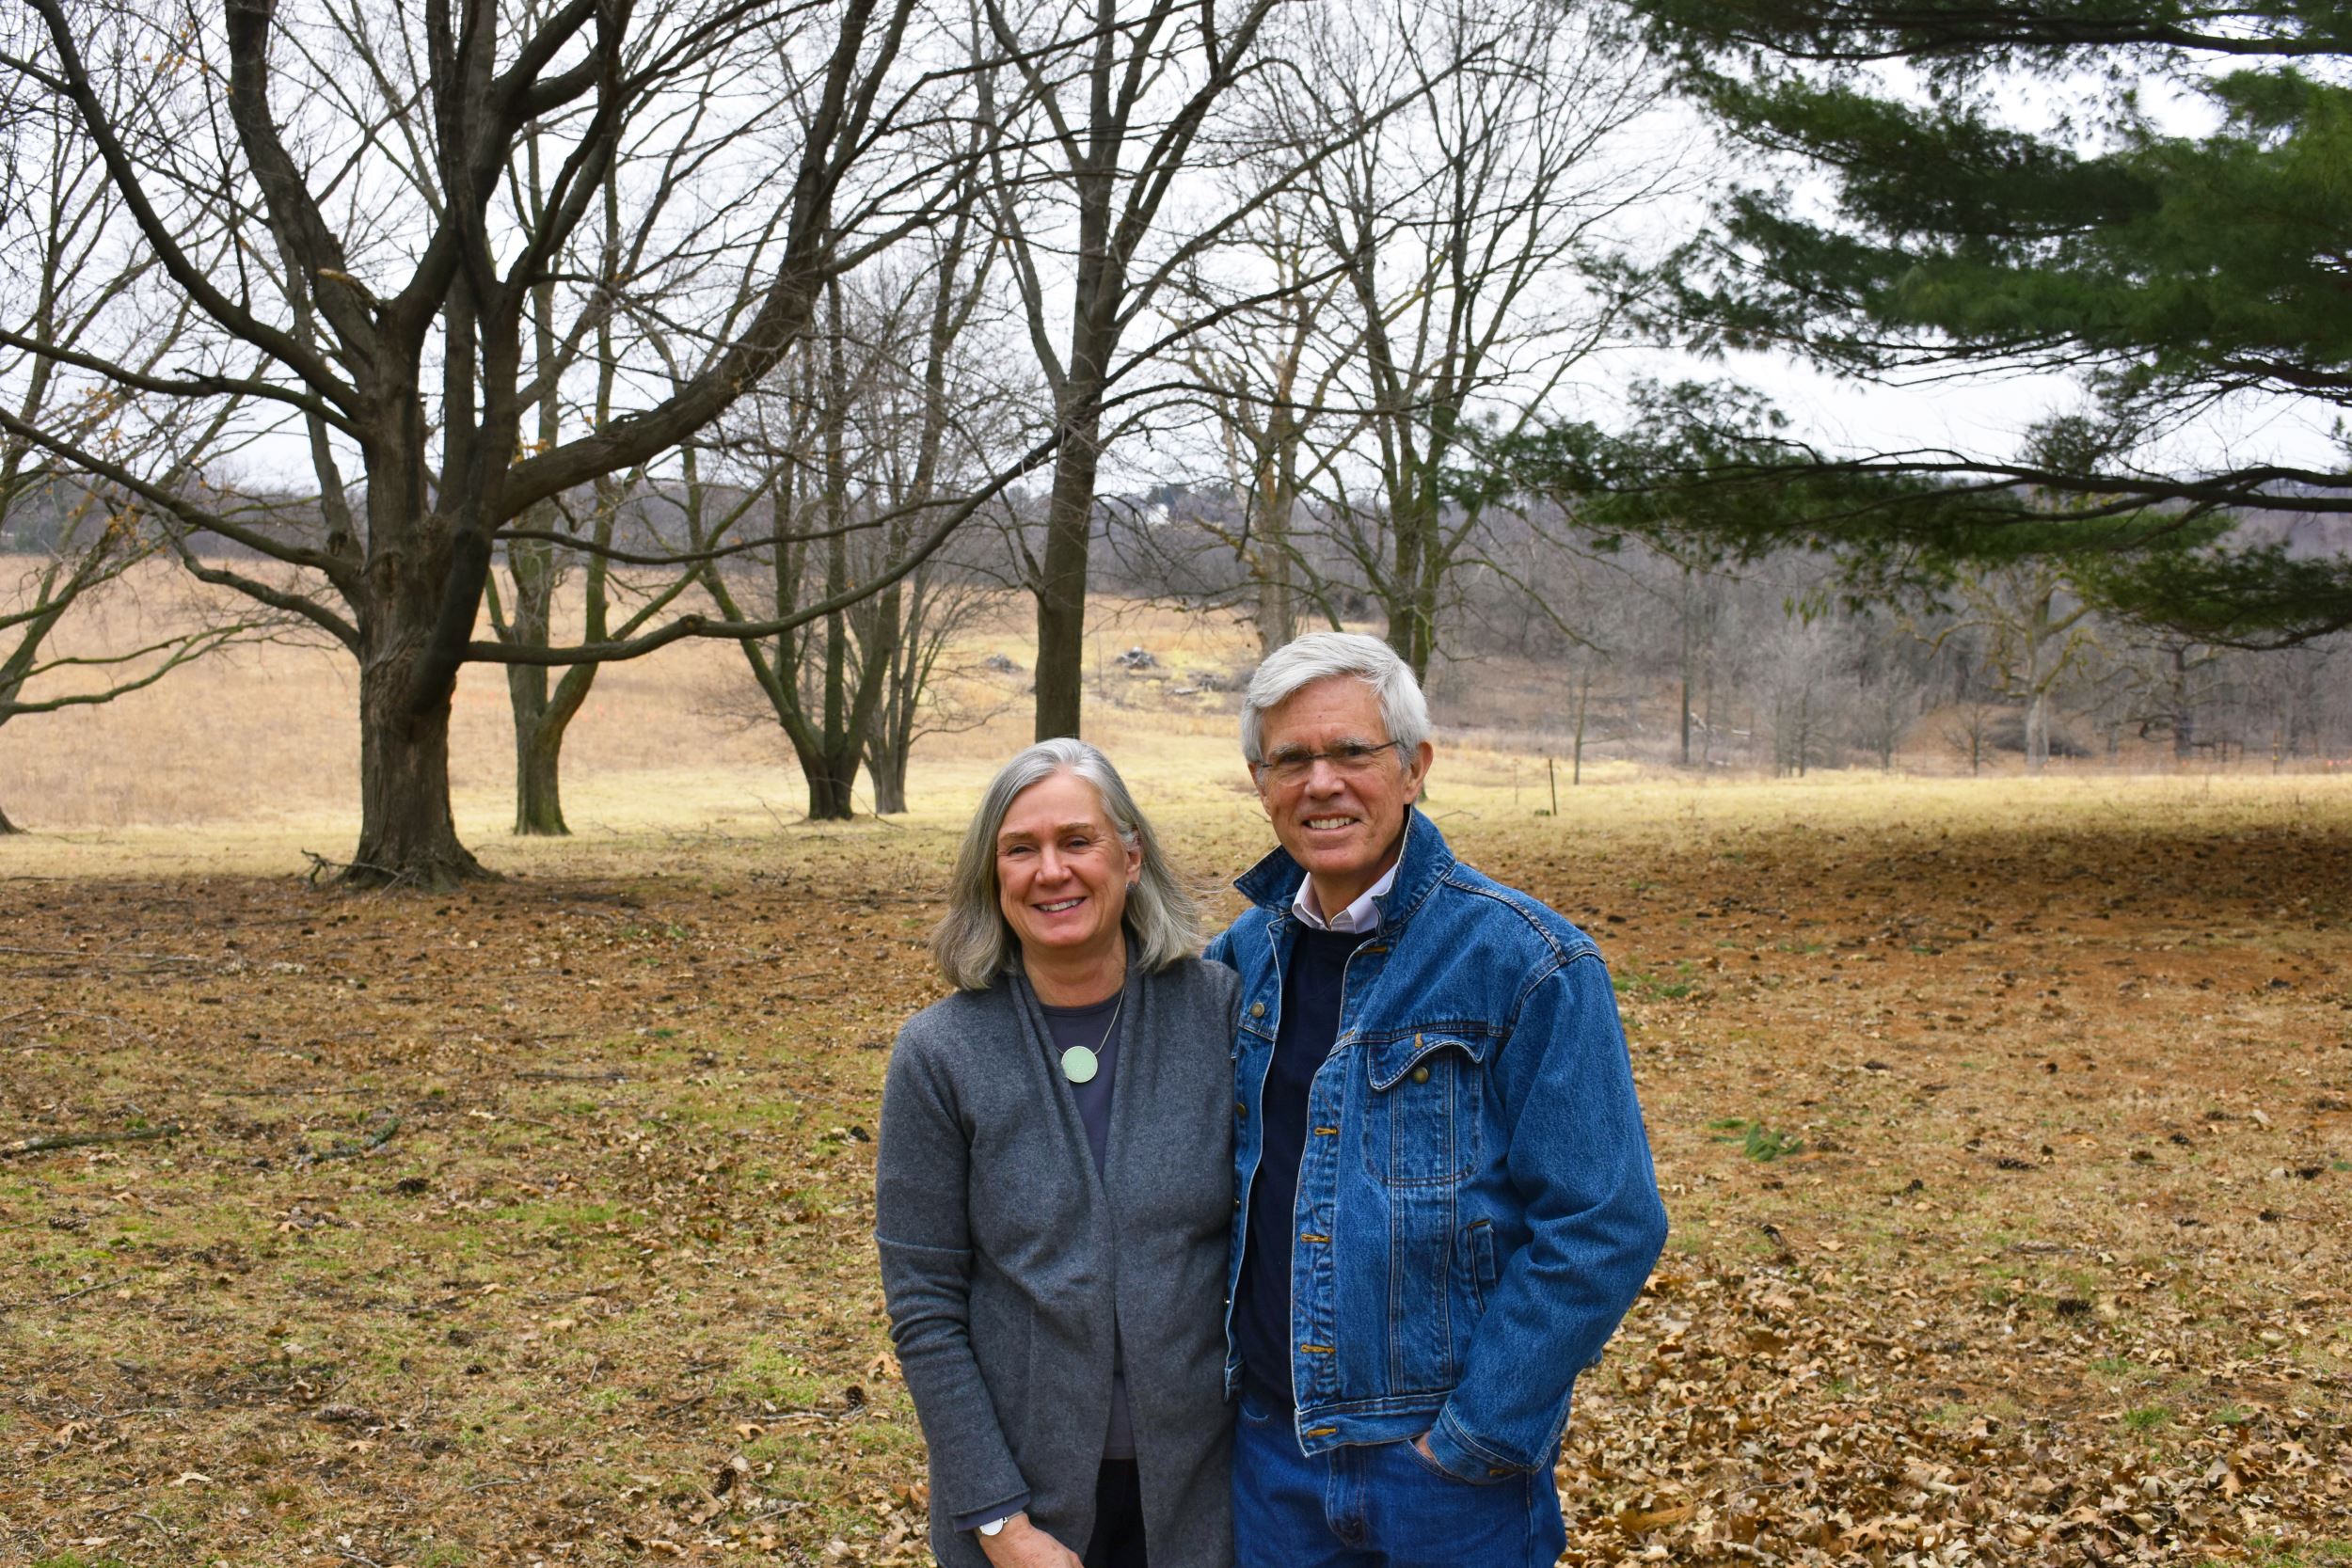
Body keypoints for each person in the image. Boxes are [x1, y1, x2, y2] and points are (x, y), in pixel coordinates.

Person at [1205, 632, 1669, 1568]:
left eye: (1351, 752)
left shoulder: (1526, 962)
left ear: (1415, 767)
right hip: (1269, 1462)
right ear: (1260, 782)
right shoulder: (1236, 964)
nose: (1320, 781)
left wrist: (1471, 1438)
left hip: (1443, 1485)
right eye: (1290, 758)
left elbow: (1605, 1221)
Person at [878, 738, 1239, 1568]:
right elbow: (925, 1306)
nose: (1052, 871)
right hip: (1023, 1512)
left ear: (1131, 855)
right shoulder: (941, 1053)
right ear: (992, 873)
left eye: (1077, 840)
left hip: (1208, 1498)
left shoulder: (1219, 1013)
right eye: (1020, 848)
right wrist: (1000, 1521)